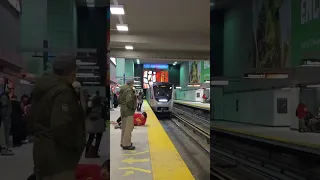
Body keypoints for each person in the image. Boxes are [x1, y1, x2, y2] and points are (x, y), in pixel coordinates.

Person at [30, 55, 85, 180]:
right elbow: (61, 126)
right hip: (59, 158)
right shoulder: (63, 91)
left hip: (41, 151)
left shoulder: (42, 89)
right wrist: (75, 145)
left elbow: (30, 120)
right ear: (71, 72)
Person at [118, 79, 137, 150]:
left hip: (123, 110)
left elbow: (119, 100)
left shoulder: (122, 89)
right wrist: (132, 108)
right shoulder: (129, 90)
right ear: (132, 83)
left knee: (124, 127)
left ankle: (123, 142)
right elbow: (129, 101)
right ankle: (126, 144)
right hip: (128, 111)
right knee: (128, 128)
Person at [0, 84, 13, 155]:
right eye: (9, 88)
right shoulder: (4, 97)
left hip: (6, 117)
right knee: (4, 133)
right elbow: (4, 107)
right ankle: (4, 148)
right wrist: (4, 116)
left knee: (6, 133)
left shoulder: (6, 96)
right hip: (5, 118)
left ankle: (5, 147)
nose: (10, 90)